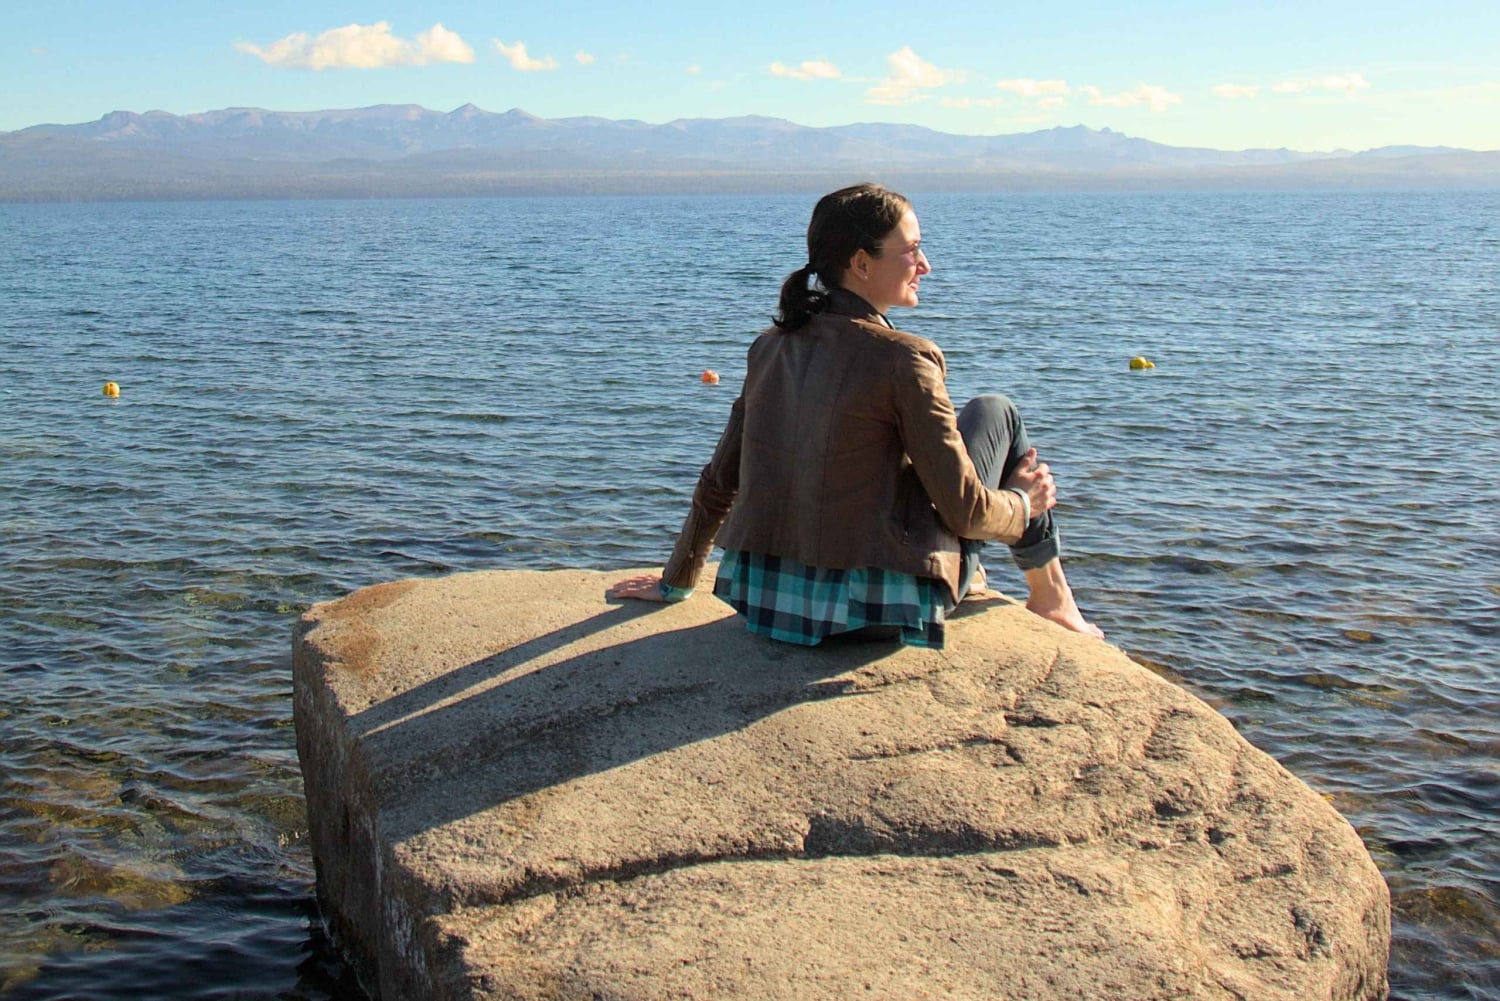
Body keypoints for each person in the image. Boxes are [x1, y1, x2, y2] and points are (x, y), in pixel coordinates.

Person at [608, 183, 1101, 645]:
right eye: (912, 249)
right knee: (997, 412)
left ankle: (1002, 583)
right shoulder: (905, 357)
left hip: (765, 605)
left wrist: (677, 582)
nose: (925, 264)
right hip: (874, 616)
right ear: (862, 263)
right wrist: (1022, 503)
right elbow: (966, 512)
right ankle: (1053, 599)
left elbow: (720, 480)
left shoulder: (769, 347)